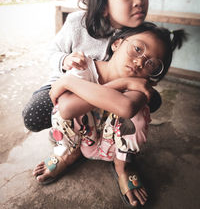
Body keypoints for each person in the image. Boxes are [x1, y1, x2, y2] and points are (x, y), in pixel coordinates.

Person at [33, 22, 187, 207]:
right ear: (117, 44)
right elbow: (66, 109)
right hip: (82, 139)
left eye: (151, 63)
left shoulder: (140, 85)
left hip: (113, 148)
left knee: (138, 112)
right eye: (137, 49)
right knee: (60, 108)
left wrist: (69, 83)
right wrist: (121, 84)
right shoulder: (84, 67)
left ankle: (123, 167)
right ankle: (67, 153)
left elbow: (126, 107)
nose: (139, 62)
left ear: (153, 73)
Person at [22, 0, 162, 133]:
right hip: (70, 85)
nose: (139, 1)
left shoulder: (139, 34)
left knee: (152, 99)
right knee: (33, 116)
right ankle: (76, 133)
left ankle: (98, 133)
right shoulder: (77, 23)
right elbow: (51, 52)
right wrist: (65, 60)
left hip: (108, 92)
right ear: (104, 4)